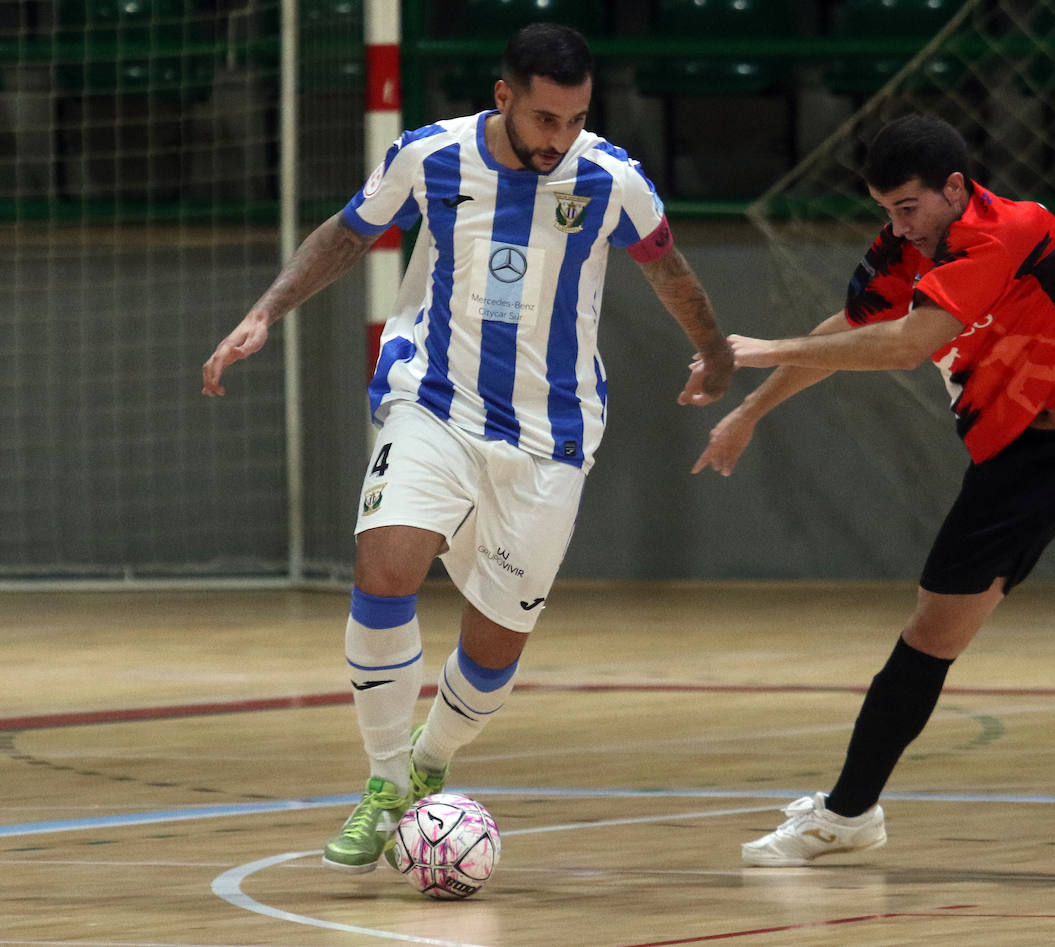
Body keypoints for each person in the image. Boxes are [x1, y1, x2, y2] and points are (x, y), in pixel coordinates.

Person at [202, 23, 732, 873]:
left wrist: (715, 350)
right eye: (547, 119)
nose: (561, 139)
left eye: (576, 119)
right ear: (505, 98)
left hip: (551, 436)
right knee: (385, 568)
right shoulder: (430, 158)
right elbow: (345, 233)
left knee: (491, 655)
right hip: (433, 401)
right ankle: (382, 787)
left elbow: (669, 270)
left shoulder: (610, 179)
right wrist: (267, 310)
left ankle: (428, 761)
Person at [692, 114, 1055, 886]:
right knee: (932, 633)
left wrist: (769, 347)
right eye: (886, 209)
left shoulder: (1011, 229)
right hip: (1016, 458)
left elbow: (908, 344)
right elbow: (854, 328)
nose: (897, 225)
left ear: (956, 189)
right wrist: (750, 410)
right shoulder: (907, 249)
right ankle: (847, 817)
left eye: (909, 207)